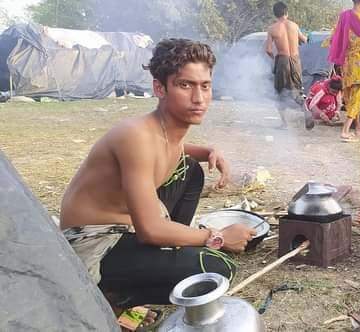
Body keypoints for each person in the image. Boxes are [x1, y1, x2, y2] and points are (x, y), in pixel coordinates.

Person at [60, 39, 256, 321]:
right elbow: (150, 230)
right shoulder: (134, 136)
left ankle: (156, 261)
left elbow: (168, 149)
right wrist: (218, 237)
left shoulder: (165, 131)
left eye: (205, 85)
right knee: (216, 266)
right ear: (159, 88)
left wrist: (209, 151)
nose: (199, 98)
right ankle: (109, 297)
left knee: (190, 170)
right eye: (185, 85)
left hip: (124, 227)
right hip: (92, 244)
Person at [326, 0, 360, 142]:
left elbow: (333, 37)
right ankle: (345, 131)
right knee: (357, 96)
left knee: (350, 95)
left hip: (346, 62)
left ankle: (357, 126)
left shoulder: (344, 16)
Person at [265, 1, 309, 129]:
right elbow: (305, 40)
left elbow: (268, 49)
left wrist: (274, 58)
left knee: (280, 92)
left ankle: (284, 123)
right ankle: (306, 112)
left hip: (283, 61)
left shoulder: (272, 28)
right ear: (286, 12)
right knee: (298, 90)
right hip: (295, 61)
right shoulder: (294, 26)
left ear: (275, 14)